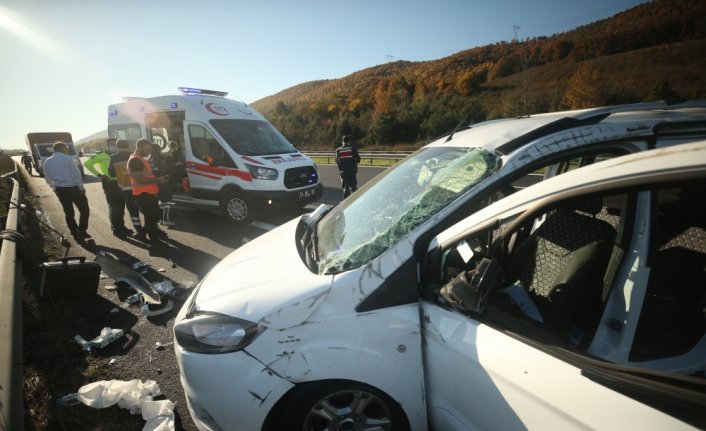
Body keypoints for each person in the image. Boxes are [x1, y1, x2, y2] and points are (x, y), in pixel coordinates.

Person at [84, 140, 133, 237]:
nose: (113, 146)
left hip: (120, 182)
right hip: (109, 183)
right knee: (114, 206)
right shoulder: (101, 155)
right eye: (111, 145)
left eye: (115, 145)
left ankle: (121, 226)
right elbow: (87, 164)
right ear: (107, 146)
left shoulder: (118, 155)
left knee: (121, 206)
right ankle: (116, 228)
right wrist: (99, 175)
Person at [43, 141, 91, 242]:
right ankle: (82, 230)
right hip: (74, 189)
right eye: (66, 148)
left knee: (68, 213)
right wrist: (81, 187)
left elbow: (47, 178)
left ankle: (74, 232)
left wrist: (54, 189)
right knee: (84, 210)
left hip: (60, 190)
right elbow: (76, 174)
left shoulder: (47, 162)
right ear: (62, 148)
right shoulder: (68, 159)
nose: (68, 150)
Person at [128, 139, 169, 245]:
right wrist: (158, 179)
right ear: (139, 147)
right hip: (143, 195)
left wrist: (158, 177)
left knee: (156, 215)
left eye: (150, 150)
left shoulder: (139, 159)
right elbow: (139, 180)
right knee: (150, 219)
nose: (149, 152)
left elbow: (146, 175)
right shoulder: (135, 160)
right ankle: (154, 240)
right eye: (147, 149)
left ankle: (141, 234)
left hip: (149, 194)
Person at [108, 140, 144, 234]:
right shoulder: (133, 156)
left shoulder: (113, 157)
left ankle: (139, 229)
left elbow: (111, 173)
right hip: (138, 186)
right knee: (144, 207)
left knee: (132, 209)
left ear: (117, 147)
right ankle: (152, 227)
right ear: (127, 145)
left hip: (124, 188)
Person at [150, 142, 175, 226]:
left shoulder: (150, 158)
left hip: (155, 182)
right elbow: (165, 168)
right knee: (167, 200)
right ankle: (166, 220)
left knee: (161, 200)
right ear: (157, 149)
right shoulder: (159, 158)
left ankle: (160, 219)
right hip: (163, 180)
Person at [335, 134, 361, 198]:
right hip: (352, 171)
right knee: (353, 188)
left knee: (345, 189)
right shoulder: (352, 149)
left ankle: (346, 204)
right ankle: (354, 202)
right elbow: (358, 160)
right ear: (349, 142)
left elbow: (336, 161)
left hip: (343, 172)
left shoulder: (338, 150)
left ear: (342, 142)